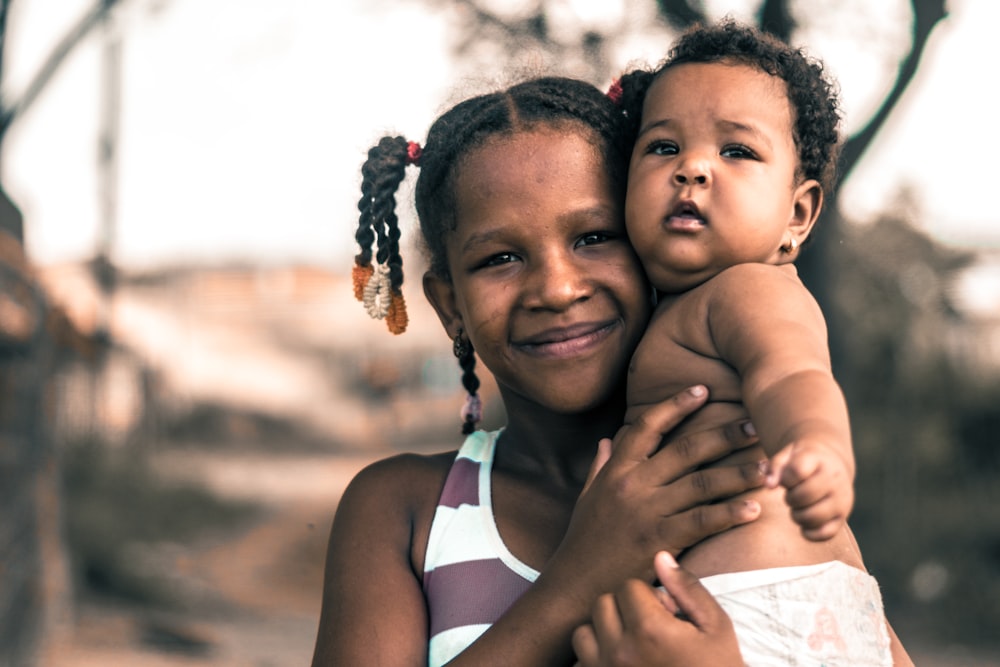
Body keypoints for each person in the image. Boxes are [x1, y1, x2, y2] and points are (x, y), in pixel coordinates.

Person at [312, 75, 769, 667]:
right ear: (450, 305)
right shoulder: (402, 512)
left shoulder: (740, 487)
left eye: (595, 236)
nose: (556, 289)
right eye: (500, 258)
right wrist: (583, 579)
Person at [599, 18, 911, 665]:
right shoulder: (673, 309)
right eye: (662, 148)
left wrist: (818, 447)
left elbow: (790, 375)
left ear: (797, 215)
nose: (693, 168)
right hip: (770, 612)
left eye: (736, 151)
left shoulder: (748, 289)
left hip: (767, 608)